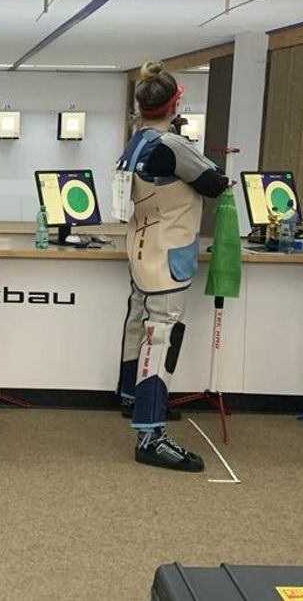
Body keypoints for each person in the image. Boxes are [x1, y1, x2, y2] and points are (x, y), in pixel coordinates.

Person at [115, 61, 228, 472]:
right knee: (159, 339)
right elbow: (214, 183)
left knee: (138, 324)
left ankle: (133, 397)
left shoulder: (135, 141)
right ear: (175, 103)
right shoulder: (172, 145)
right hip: (167, 253)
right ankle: (150, 434)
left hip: (142, 247)